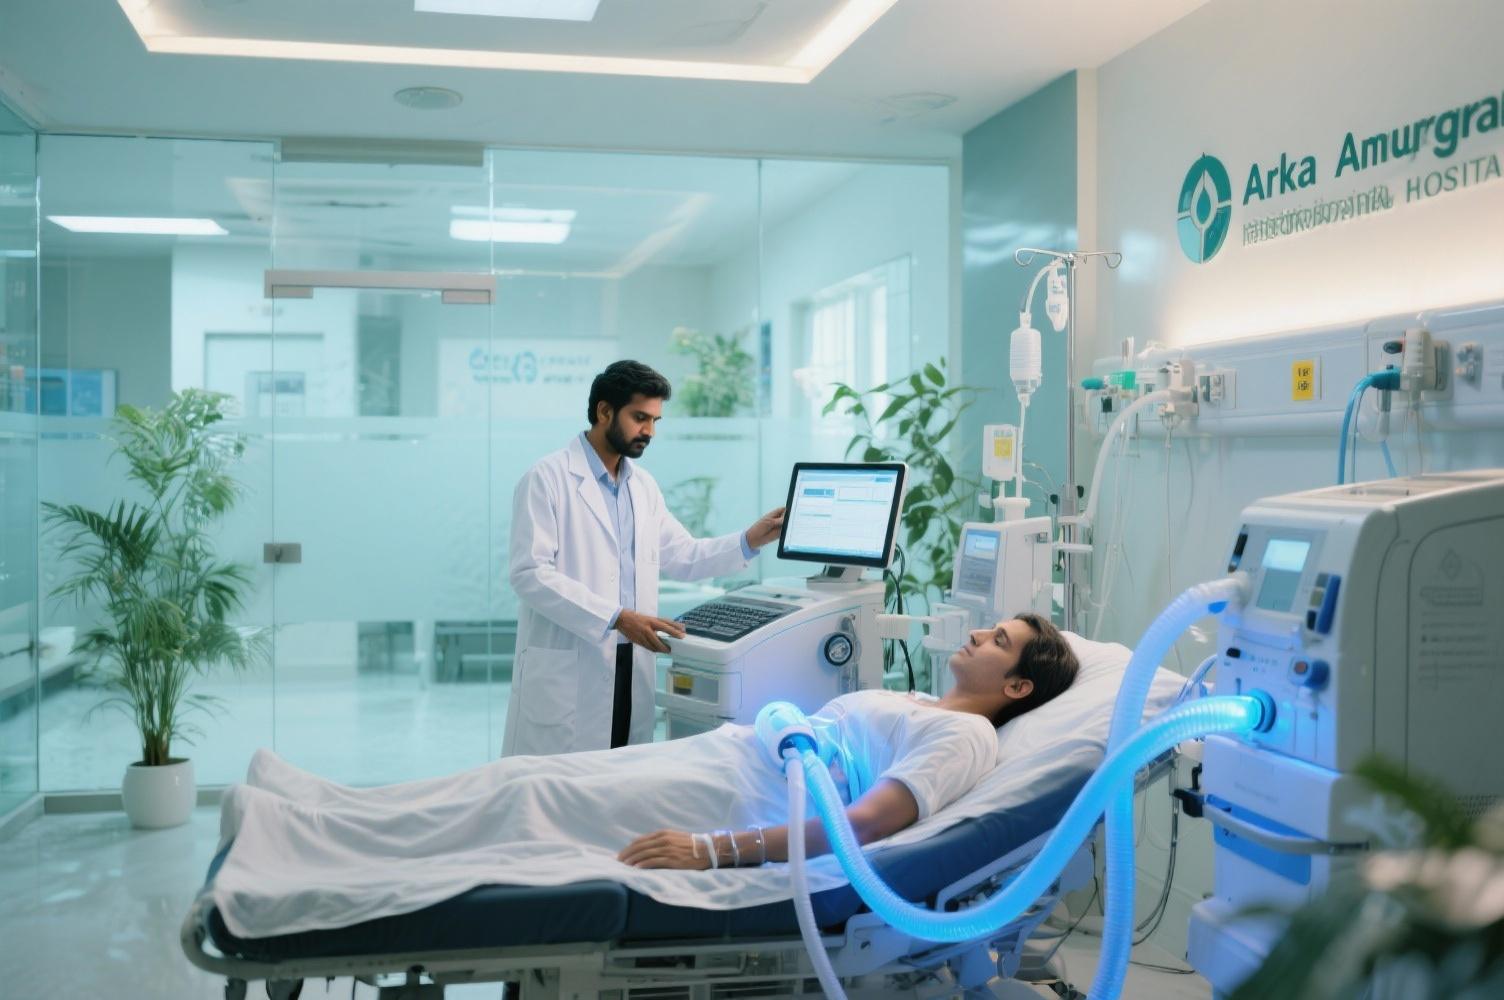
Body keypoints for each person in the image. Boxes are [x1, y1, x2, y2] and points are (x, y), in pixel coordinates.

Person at [215, 615, 1081, 945]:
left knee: (529, 801)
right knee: (523, 782)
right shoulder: (916, 698)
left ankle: (303, 843)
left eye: (997, 641)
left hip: (730, 798)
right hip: (729, 759)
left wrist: (714, 851)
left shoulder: (964, 741)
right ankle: (320, 812)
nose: (974, 634)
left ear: (1015, 689)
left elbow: (860, 826)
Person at [504, 360, 785, 757]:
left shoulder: (643, 487)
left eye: (655, 420)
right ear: (604, 411)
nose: (650, 431)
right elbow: (530, 573)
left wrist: (749, 540)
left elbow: (683, 555)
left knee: (620, 787)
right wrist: (617, 617)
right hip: (571, 672)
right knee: (556, 799)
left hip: (629, 670)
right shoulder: (547, 478)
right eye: (640, 418)